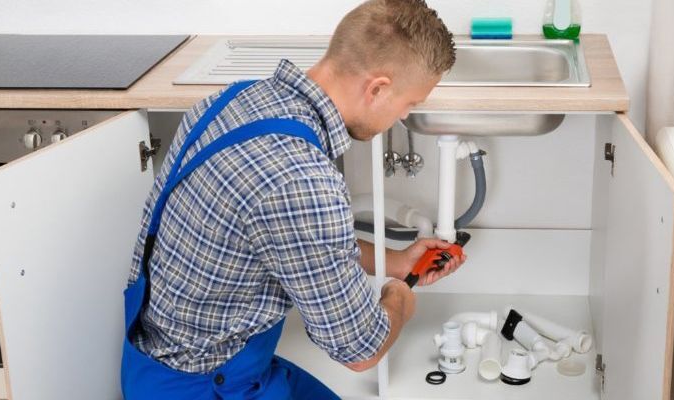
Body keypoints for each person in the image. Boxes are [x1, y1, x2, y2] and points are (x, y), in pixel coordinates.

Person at [120, 0, 463, 398]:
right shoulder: (302, 179)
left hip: (167, 360)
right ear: (378, 88)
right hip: (204, 387)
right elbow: (360, 349)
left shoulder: (235, 100)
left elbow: (297, 240)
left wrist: (398, 261)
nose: (403, 117)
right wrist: (400, 297)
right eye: (409, 105)